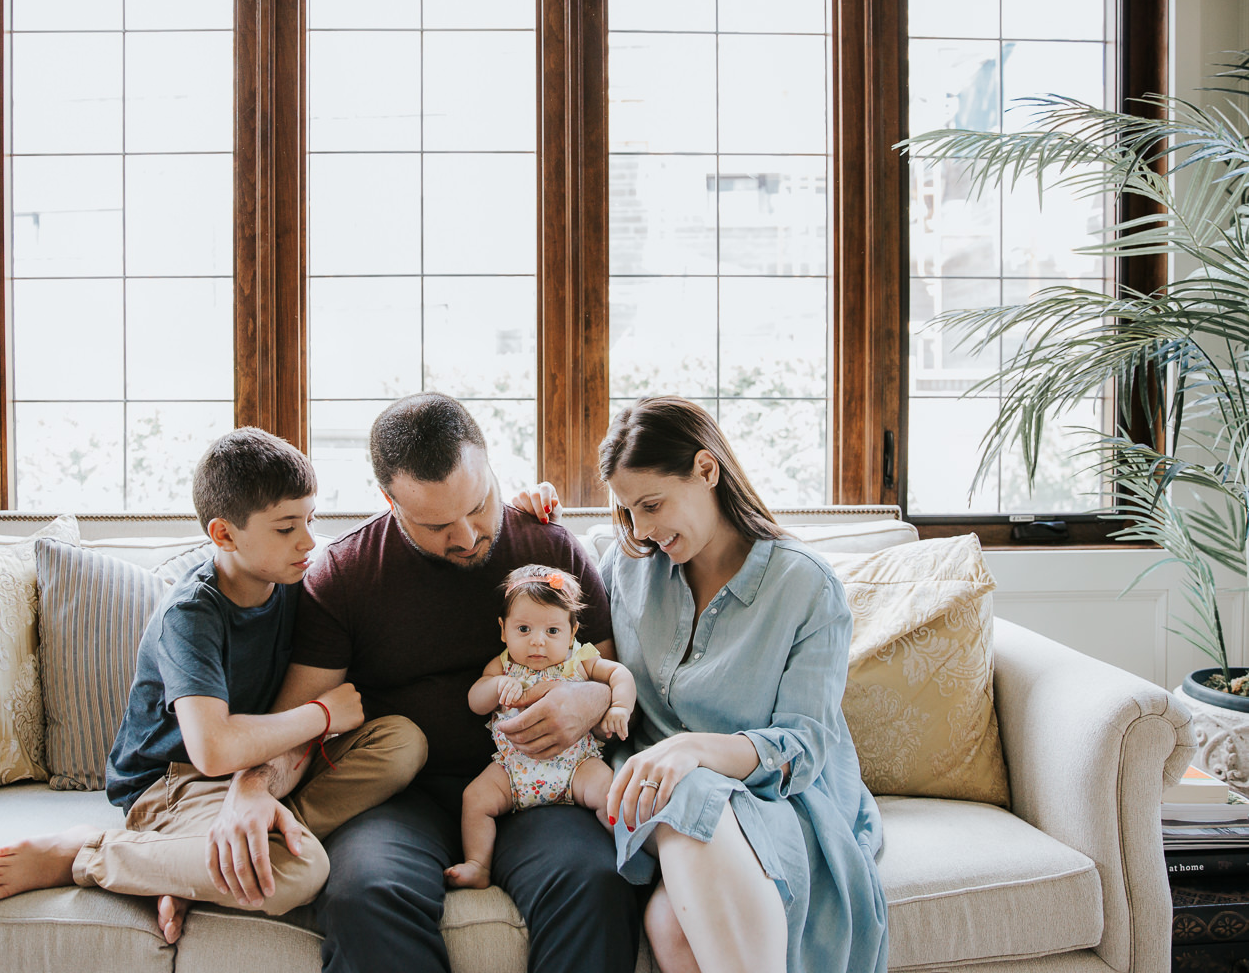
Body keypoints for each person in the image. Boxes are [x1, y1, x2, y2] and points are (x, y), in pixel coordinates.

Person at [202, 392, 641, 973]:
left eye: (479, 505)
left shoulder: (549, 548)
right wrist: (251, 789)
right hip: (397, 799)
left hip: (542, 787)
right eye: (436, 524)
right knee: (365, 895)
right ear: (388, 500)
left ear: (490, 466)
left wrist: (591, 698)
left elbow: (604, 671)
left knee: (597, 883)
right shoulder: (345, 574)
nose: (465, 536)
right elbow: (299, 718)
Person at [0, 428, 427, 945]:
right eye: (285, 527)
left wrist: (526, 505)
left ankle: (191, 859)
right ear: (224, 534)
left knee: (402, 741)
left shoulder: (296, 581)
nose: (306, 541)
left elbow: (384, 547)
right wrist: (322, 715)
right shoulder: (191, 614)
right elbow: (213, 749)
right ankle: (89, 853)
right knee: (298, 872)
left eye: (310, 520)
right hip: (174, 781)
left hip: (265, 767)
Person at [516, 396, 888, 973]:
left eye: (652, 504)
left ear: (706, 470)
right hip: (661, 803)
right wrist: (529, 522)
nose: (641, 528)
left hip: (775, 797)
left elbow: (804, 747)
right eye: (628, 511)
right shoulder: (629, 564)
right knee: (669, 920)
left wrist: (690, 750)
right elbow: (550, 602)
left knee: (679, 838)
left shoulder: (805, 588)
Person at [443, 564, 637, 889]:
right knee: (475, 799)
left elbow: (620, 674)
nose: (537, 643)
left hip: (577, 765)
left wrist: (619, 706)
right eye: (523, 630)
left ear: (572, 631)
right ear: (503, 630)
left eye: (552, 631)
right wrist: (496, 687)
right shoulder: (503, 665)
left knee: (611, 793)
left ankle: (628, 855)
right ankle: (478, 864)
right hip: (513, 769)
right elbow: (475, 701)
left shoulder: (580, 659)